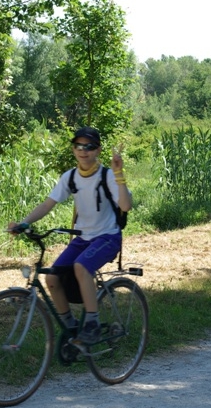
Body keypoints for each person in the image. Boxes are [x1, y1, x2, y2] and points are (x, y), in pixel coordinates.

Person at [8, 126, 132, 345]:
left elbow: (125, 205)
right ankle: (71, 327)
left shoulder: (107, 176)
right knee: (52, 278)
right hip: (82, 238)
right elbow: (48, 204)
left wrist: (119, 174)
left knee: (81, 267)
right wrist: (24, 223)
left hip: (108, 237)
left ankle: (92, 324)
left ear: (98, 150)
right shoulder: (71, 177)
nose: (83, 151)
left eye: (89, 146)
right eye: (78, 146)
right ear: (73, 149)